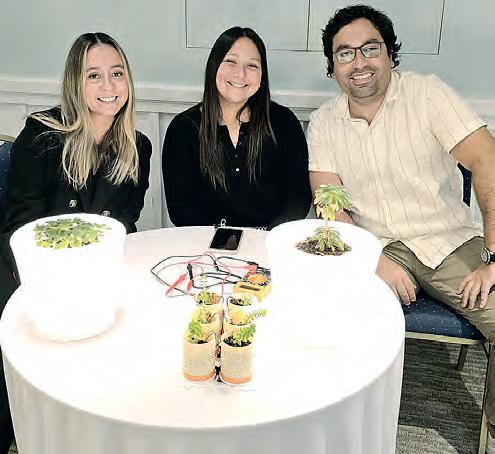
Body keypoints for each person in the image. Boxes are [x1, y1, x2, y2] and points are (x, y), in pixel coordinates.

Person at [307, 4, 495, 449]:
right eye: (345, 53)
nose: (359, 62)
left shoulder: (427, 94)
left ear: (390, 54)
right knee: (327, 314)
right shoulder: (324, 123)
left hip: (447, 239)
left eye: (370, 49)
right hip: (374, 244)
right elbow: (330, 204)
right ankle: (338, 429)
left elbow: (487, 160)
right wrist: (372, 258)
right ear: (332, 67)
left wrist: (493, 256)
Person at [0, 32, 152, 452]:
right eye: (94, 75)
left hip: (93, 281)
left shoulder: (137, 147)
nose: (109, 86)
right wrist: (60, 285)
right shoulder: (42, 137)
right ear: (75, 82)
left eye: (117, 74)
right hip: (30, 281)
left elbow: (124, 225)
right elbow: (18, 229)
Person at [162, 26, 311, 229]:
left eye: (252, 65)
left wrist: (266, 238)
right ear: (214, 66)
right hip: (205, 243)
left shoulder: (284, 122)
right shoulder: (183, 129)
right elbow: (181, 209)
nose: (240, 74)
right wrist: (224, 241)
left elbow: (298, 200)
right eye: (231, 61)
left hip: (269, 241)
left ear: (262, 75)